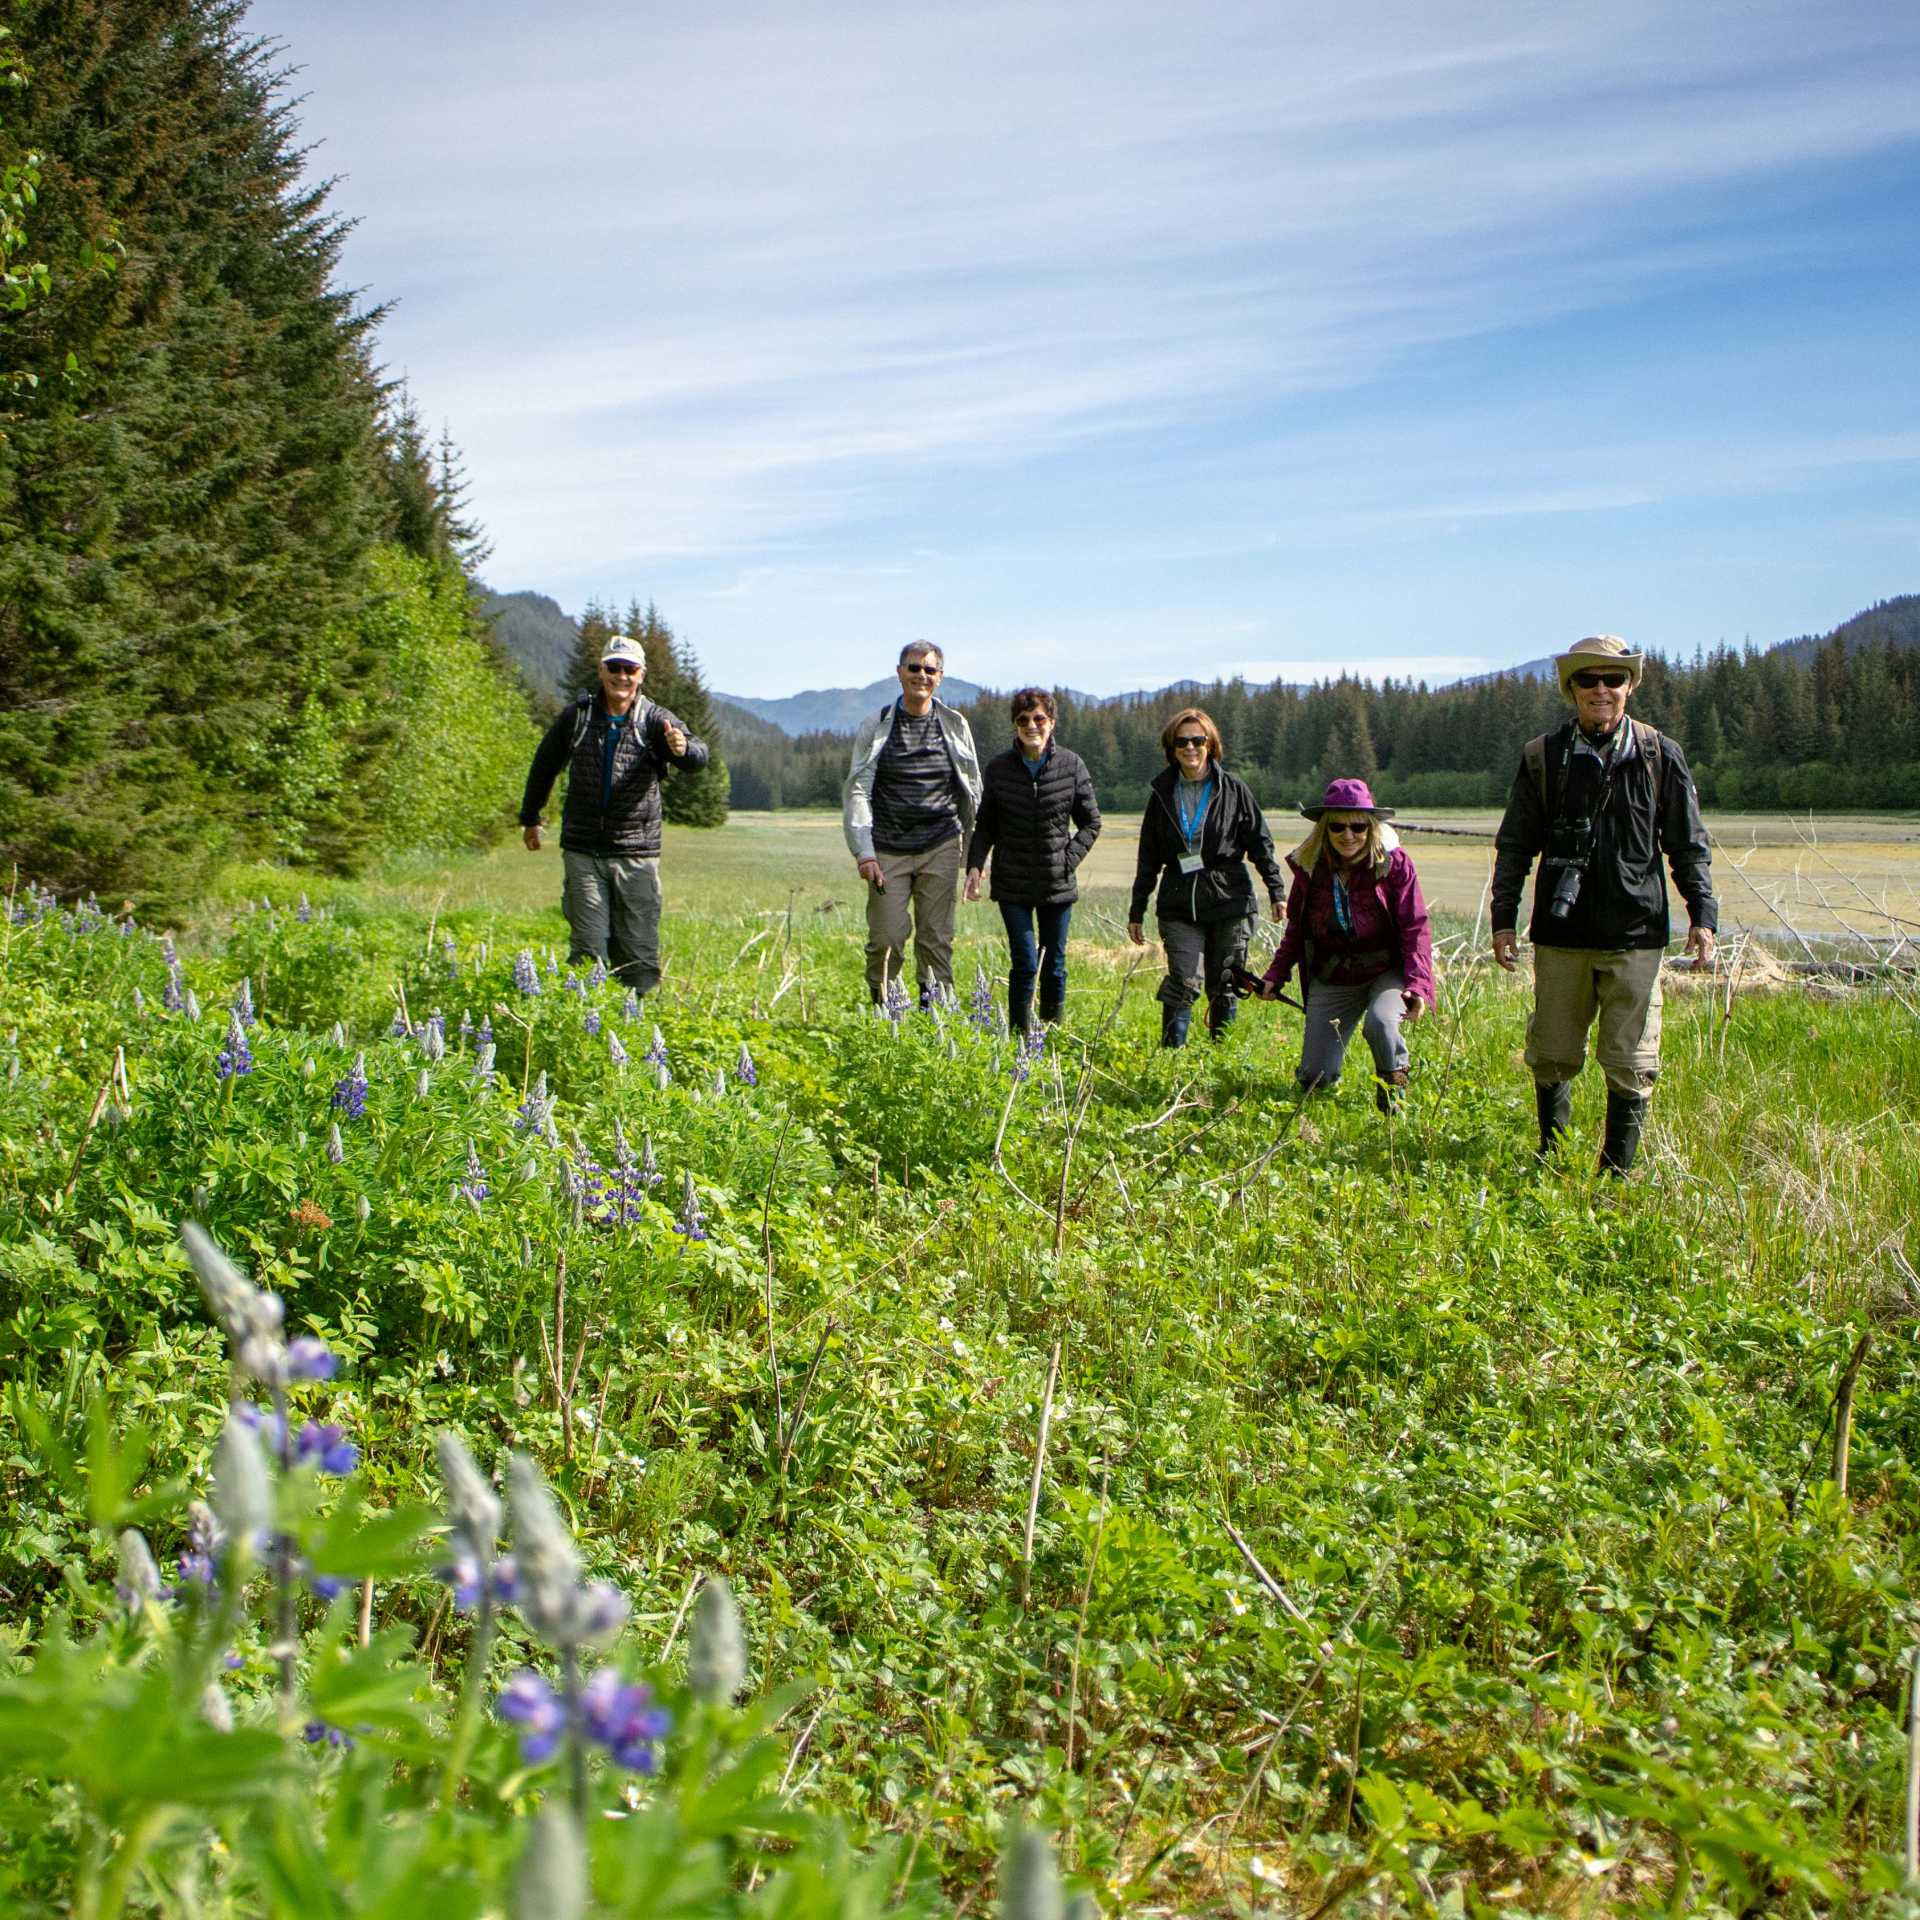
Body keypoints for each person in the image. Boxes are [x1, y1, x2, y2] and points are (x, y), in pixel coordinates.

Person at [1491, 634, 1717, 1174]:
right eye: (1587, 679)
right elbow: (1516, 844)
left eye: (1612, 679)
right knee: (1551, 1053)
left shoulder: (1661, 754)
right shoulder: (1543, 756)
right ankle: (1555, 1156)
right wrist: (1504, 919)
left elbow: (1688, 844)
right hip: (1561, 934)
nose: (1601, 689)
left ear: (1630, 686)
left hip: (1636, 934)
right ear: (1571, 689)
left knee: (1632, 1059)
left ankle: (1616, 1172)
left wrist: (1703, 916)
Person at [518, 633, 708, 996]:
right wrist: (531, 818)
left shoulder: (656, 720)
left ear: (642, 675)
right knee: (589, 948)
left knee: (638, 951)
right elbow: (544, 766)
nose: (622, 676)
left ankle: (634, 1033)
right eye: (614, 667)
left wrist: (682, 750)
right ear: (601, 670)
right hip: (583, 851)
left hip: (637, 852)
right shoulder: (577, 717)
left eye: (630, 669)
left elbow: (698, 755)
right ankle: (586, 1029)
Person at [1258, 779, 1434, 1111]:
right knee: (1314, 1078)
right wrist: (1275, 974)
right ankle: (1327, 1084)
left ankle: (1392, 1091)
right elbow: (1297, 928)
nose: (1348, 835)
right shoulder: (1310, 867)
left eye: (1357, 826)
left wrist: (1418, 985)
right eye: (1338, 826)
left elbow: (1415, 928)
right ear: (1325, 829)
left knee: (1381, 1023)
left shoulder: (1394, 865)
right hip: (1334, 973)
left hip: (1386, 970)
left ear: (1371, 827)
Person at [1127, 707, 1285, 1047]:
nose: (1190, 748)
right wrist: (1136, 910)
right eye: (1182, 742)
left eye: (1198, 740)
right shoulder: (1161, 794)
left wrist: (1276, 890)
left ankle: (1222, 1059)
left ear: (1210, 744)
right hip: (1179, 901)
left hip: (1230, 899)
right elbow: (1148, 857)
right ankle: (1172, 1058)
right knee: (1184, 980)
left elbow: (1260, 843)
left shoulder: (1234, 790)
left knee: (1226, 982)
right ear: (1172, 748)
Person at [843, 641, 983, 1006]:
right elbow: (858, 788)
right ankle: (883, 1012)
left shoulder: (954, 724)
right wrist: (864, 852)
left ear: (940, 677)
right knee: (886, 936)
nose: (921, 675)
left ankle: (934, 1017)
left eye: (929, 670)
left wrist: (975, 857)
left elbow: (972, 789)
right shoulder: (876, 725)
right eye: (914, 668)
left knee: (936, 937)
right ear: (899, 672)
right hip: (887, 849)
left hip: (941, 844)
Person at [964, 689, 1102, 1032]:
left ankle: (1051, 1033)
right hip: (1012, 883)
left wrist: (1068, 859)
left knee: (1053, 963)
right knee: (1025, 962)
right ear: (1015, 725)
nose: (1032, 726)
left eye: (1039, 719)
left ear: (1051, 723)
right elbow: (987, 826)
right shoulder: (998, 769)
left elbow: (1091, 822)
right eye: (1023, 720)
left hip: (1057, 883)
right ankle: (1021, 1037)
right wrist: (975, 866)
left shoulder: (1071, 765)